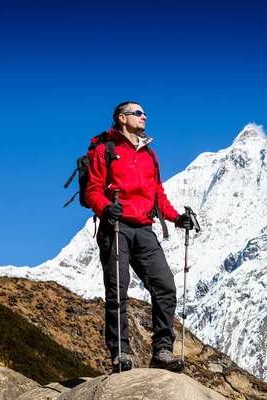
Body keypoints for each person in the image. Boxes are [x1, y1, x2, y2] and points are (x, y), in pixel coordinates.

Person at [86, 101, 194, 372]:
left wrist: (175, 217)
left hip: (144, 229)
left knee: (165, 286)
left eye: (144, 112)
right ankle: (120, 353)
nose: (144, 116)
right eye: (138, 113)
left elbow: (158, 194)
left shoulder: (149, 154)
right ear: (122, 119)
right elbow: (92, 191)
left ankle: (162, 351)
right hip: (116, 228)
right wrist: (106, 208)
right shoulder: (104, 151)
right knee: (118, 292)